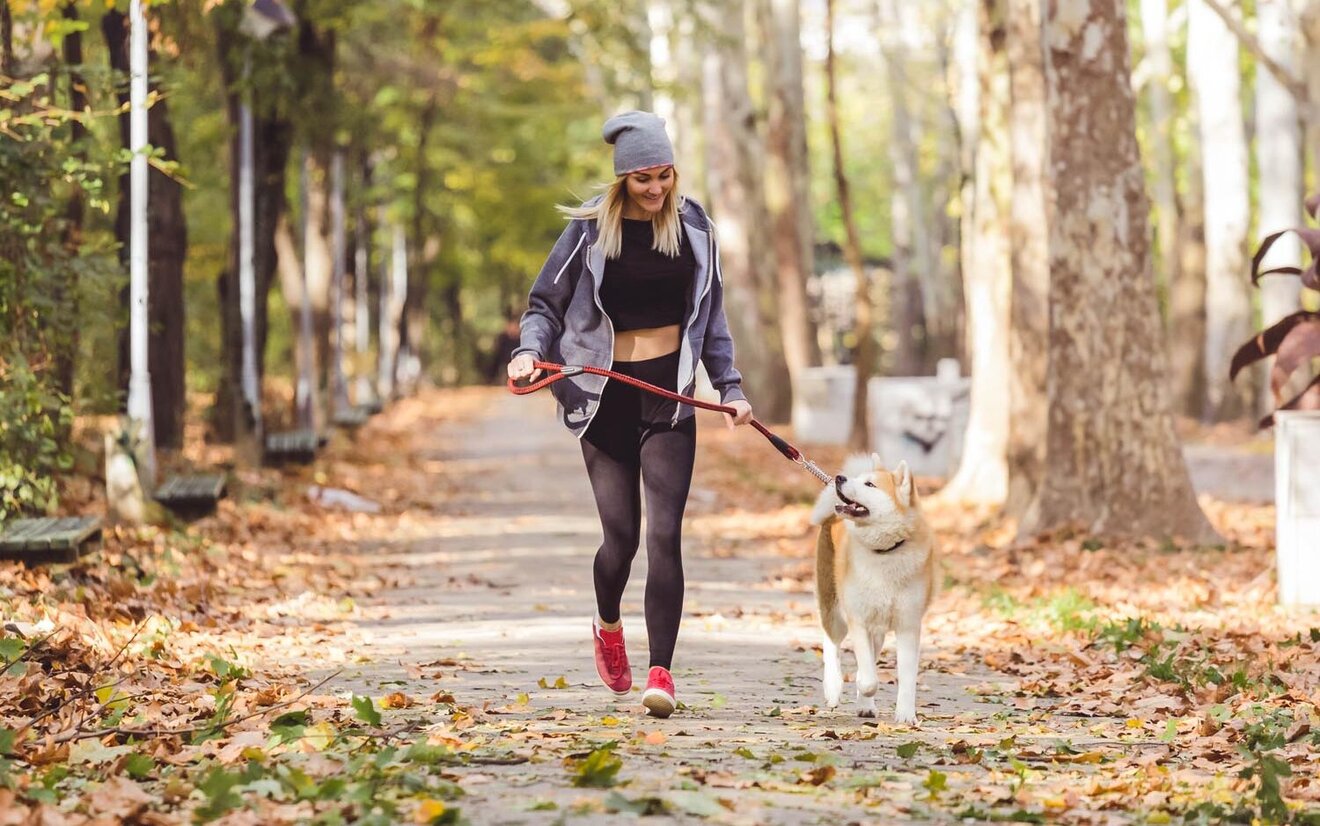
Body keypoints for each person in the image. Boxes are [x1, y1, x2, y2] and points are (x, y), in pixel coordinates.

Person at [507, 111, 753, 718]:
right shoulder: (592, 230)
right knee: (621, 538)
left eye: (664, 175)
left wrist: (729, 387)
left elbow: (712, 320)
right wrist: (528, 351)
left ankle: (661, 672)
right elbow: (546, 303)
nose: (655, 188)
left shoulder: (696, 227)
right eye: (643, 178)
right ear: (622, 180)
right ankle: (607, 621)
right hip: (602, 394)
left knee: (665, 535)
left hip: (669, 395)